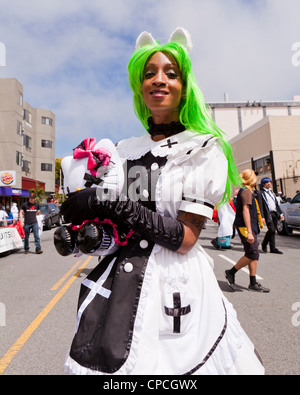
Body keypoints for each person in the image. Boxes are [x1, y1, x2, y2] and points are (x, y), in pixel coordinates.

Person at [61, 28, 264, 375]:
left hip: (175, 283)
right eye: (150, 73)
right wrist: (86, 235)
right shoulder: (126, 150)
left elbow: (185, 238)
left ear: (184, 86)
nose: (159, 80)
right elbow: (117, 230)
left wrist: (113, 204)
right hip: (122, 282)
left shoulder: (202, 148)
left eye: (171, 74)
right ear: (140, 87)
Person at [225, 169, 269, 293]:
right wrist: (249, 231)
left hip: (250, 226)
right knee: (253, 252)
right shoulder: (246, 192)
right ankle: (230, 272)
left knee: (253, 253)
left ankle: (253, 282)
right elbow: (245, 211)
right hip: (245, 227)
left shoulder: (249, 191)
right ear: (252, 179)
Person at [260, 177, 284, 254]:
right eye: (267, 182)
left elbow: (276, 204)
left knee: (273, 231)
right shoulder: (261, 193)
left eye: (270, 182)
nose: (269, 183)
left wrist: (281, 213)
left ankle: (273, 248)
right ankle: (264, 244)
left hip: (274, 213)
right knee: (272, 230)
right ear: (263, 184)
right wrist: (262, 216)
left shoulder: (271, 192)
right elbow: (260, 206)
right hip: (268, 214)